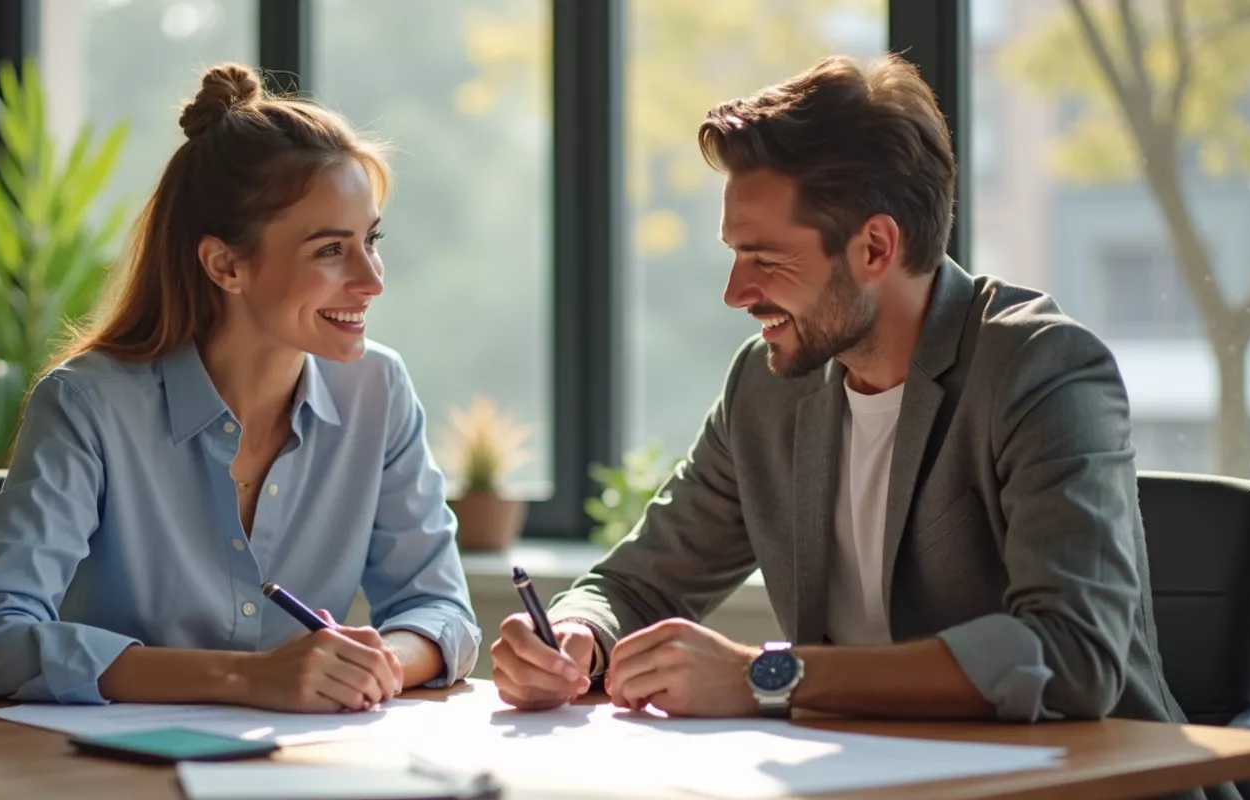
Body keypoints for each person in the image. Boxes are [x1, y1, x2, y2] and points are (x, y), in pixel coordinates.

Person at [490, 50, 1210, 783]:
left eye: (765, 258)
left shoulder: (1041, 371)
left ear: (874, 247)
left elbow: (1070, 654)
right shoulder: (767, 388)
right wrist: (579, 633)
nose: (736, 293)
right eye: (734, 254)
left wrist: (768, 677)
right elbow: (638, 584)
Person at [0, 63, 480, 713]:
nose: (372, 281)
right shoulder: (89, 406)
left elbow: (439, 607)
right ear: (226, 264)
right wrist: (245, 678)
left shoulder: (379, 389)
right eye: (331, 251)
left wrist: (367, 665)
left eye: (371, 241)